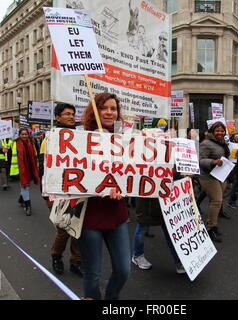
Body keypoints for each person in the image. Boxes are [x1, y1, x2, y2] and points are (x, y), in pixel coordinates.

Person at [77, 93, 130, 300]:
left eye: (113, 108)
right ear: (95, 111)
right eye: (104, 108)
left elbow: (136, 172)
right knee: (93, 274)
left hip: (117, 213)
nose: (109, 112)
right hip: (90, 214)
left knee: (123, 269)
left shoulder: (126, 139)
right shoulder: (80, 138)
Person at [38, 103, 83, 277]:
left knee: (77, 228)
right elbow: (44, 169)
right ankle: (56, 256)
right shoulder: (49, 139)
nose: (71, 117)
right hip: (57, 191)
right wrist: (47, 193)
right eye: (67, 114)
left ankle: (76, 260)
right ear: (57, 117)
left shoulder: (80, 137)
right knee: (64, 228)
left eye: (73, 114)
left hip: (77, 190)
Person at [131, 198, 186, 274]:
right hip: (147, 206)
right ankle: (137, 255)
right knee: (142, 228)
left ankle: (178, 261)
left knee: (172, 233)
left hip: (165, 204)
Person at [198, 122, 230, 243]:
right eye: (217, 131)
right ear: (212, 131)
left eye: (222, 131)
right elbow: (200, 160)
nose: (220, 133)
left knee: (215, 201)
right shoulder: (206, 143)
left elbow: (224, 157)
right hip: (207, 176)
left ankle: (213, 225)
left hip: (220, 175)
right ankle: (211, 228)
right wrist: (213, 162)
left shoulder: (222, 143)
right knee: (217, 201)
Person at [9, 128, 40, 216]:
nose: (24, 136)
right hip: (20, 169)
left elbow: (36, 155)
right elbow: (11, 156)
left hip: (30, 168)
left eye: (26, 134)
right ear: (19, 135)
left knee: (25, 186)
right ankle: (28, 206)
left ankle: (21, 198)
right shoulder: (14, 144)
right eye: (22, 134)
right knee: (25, 186)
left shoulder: (32, 143)